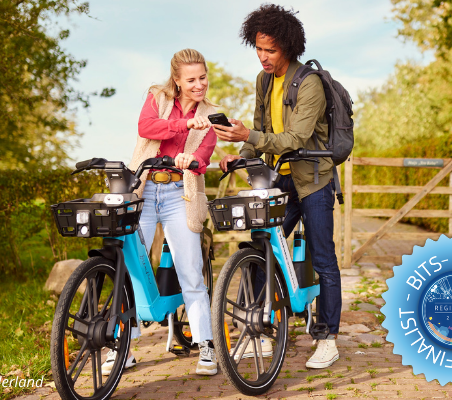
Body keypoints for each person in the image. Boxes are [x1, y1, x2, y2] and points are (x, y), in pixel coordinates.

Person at [214, 4, 342, 369]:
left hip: (314, 178)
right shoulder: (263, 81)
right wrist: (239, 153)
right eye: (258, 48)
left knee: (323, 258)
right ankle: (262, 328)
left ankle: (327, 337)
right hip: (279, 179)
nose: (263, 56)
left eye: (270, 50)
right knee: (260, 251)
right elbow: (259, 130)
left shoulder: (311, 83)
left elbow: (295, 136)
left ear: (288, 45)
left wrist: (250, 135)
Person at [102, 48, 218, 376]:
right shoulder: (158, 97)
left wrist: (190, 160)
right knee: (129, 267)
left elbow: (205, 155)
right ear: (178, 82)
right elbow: (146, 127)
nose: (199, 85)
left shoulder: (211, 114)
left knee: (191, 271)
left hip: (180, 194)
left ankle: (205, 344)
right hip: (144, 188)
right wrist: (182, 125)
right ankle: (122, 346)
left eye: (203, 77)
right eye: (192, 80)